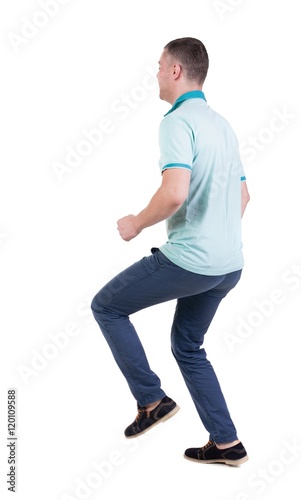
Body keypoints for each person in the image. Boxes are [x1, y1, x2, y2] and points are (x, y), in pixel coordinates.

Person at [91, 37, 250, 466]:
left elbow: (175, 193)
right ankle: (226, 443)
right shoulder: (222, 124)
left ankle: (151, 400)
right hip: (229, 266)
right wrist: (217, 239)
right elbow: (245, 197)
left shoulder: (176, 122)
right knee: (187, 345)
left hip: (192, 262)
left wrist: (137, 222)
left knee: (105, 306)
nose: (157, 72)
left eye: (160, 65)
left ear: (177, 71)